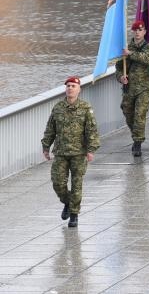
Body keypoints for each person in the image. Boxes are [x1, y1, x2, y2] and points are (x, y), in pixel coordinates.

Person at [41, 76, 100, 228]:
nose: (70, 88)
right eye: (68, 86)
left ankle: (74, 214)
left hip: (78, 153)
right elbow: (50, 129)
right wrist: (46, 147)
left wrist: (91, 149)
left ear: (79, 89)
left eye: (73, 86)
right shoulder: (58, 107)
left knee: (76, 184)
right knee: (58, 183)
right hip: (61, 152)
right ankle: (67, 202)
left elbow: (91, 130)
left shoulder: (86, 108)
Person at [115, 20, 149, 157]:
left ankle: (137, 142)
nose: (137, 32)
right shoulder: (126, 47)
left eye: (140, 30)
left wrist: (130, 54)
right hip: (129, 88)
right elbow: (118, 67)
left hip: (144, 88)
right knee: (127, 112)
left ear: (144, 32)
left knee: (140, 115)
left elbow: (148, 59)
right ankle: (136, 134)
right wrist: (121, 77)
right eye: (135, 30)